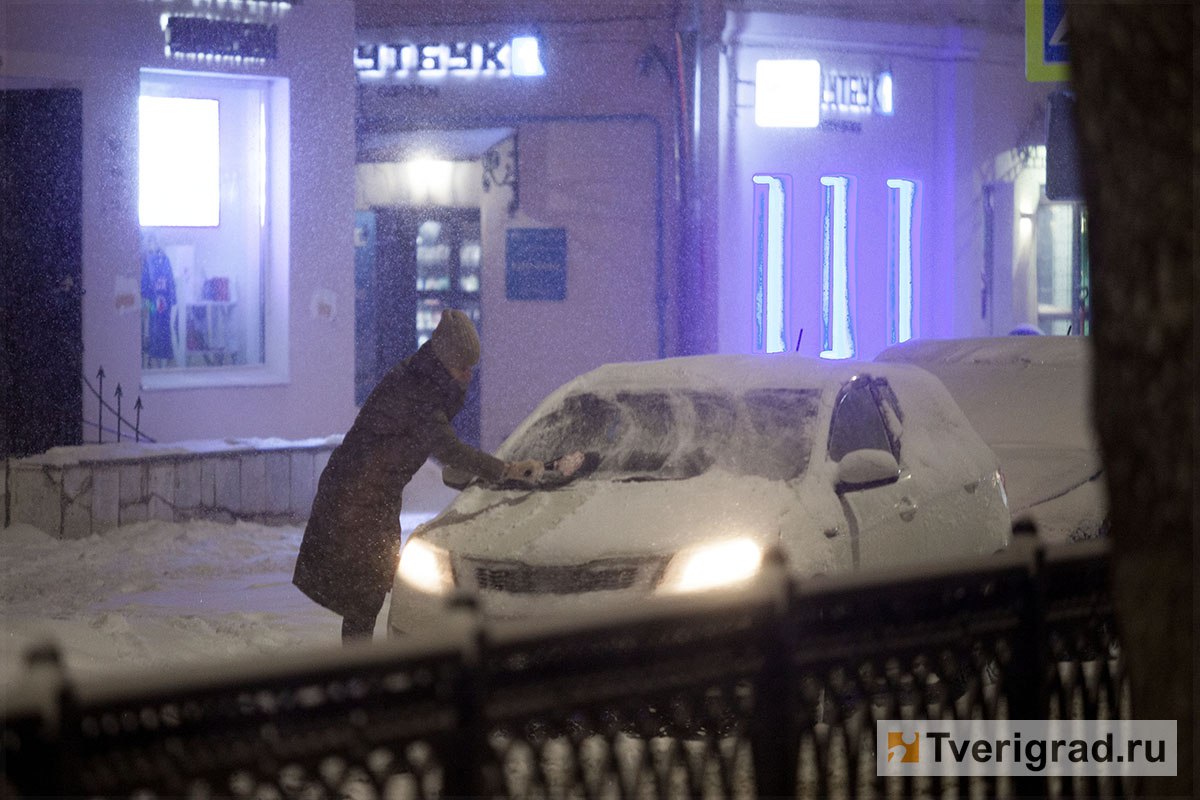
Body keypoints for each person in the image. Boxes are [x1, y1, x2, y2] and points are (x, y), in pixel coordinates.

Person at [293, 310, 545, 644]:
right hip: (357, 495)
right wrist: (505, 470)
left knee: (366, 593)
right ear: (444, 362)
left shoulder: (420, 379)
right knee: (364, 594)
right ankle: (360, 674)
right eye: (462, 367)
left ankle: (360, 669)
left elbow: (433, 445)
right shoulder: (417, 392)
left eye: (471, 367)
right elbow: (448, 448)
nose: (468, 376)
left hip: (368, 492)